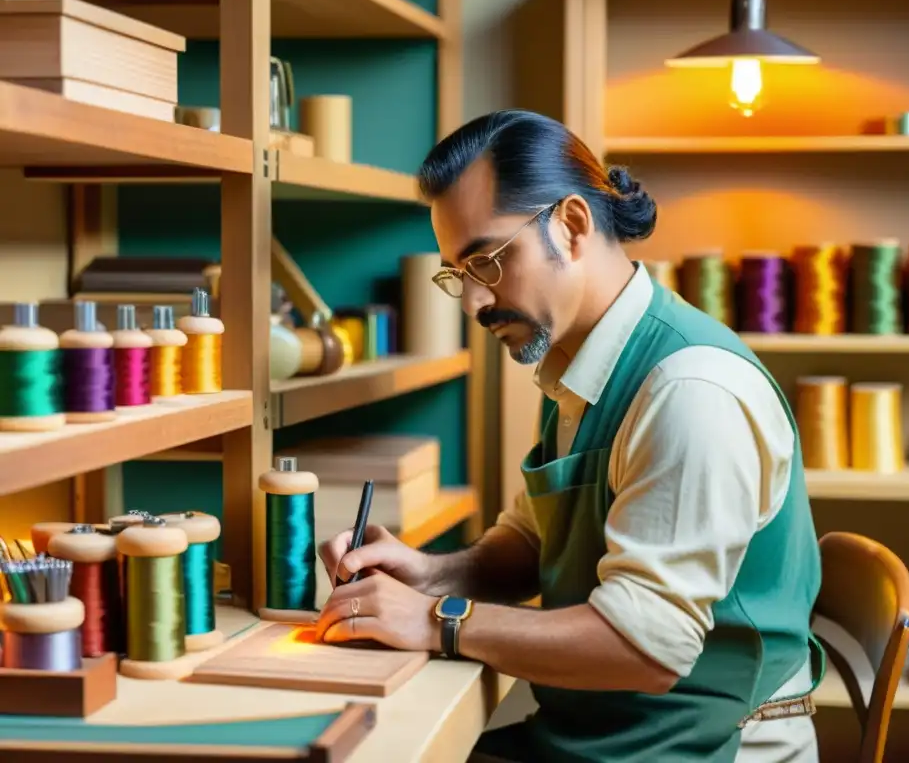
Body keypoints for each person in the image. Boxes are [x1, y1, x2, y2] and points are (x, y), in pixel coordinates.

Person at [317, 109, 824, 763]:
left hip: (706, 749)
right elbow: (536, 539)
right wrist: (432, 574)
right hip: (611, 739)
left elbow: (646, 649)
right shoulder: (577, 362)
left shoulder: (689, 392)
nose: (473, 303)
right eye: (457, 275)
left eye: (487, 262)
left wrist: (435, 620)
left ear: (573, 225)